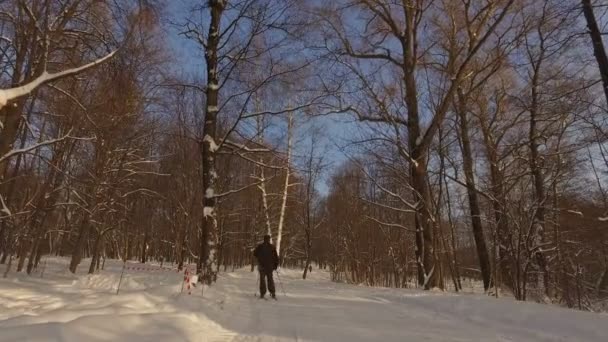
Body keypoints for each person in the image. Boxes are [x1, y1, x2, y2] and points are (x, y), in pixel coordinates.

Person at [253, 234, 279, 299]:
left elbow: (255, 254)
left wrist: (259, 258)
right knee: (270, 280)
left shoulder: (260, 246)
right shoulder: (272, 247)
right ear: (269, 239)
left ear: (264, 239)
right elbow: (276, 258)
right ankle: (272, 293)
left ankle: (263, 293)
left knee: (263, 280)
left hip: (262, 267)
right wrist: (275, 265)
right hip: (268, 267)